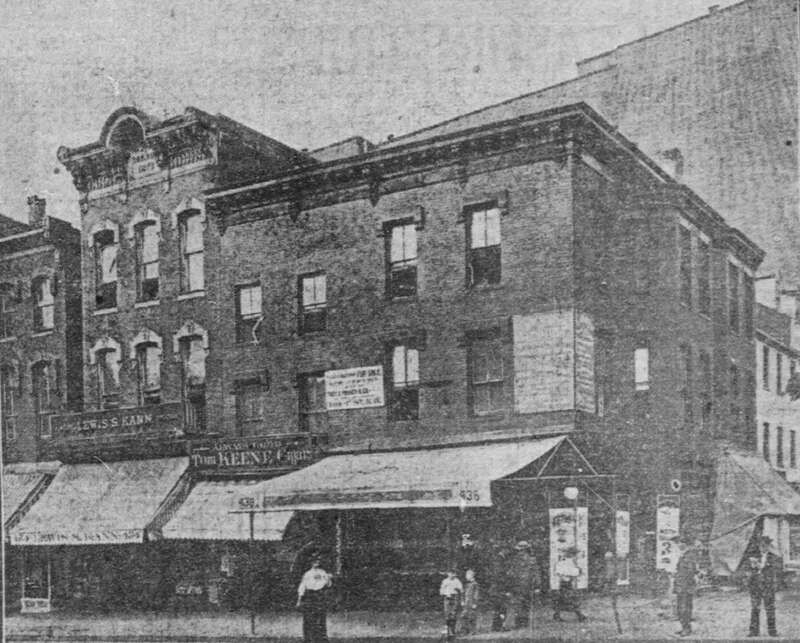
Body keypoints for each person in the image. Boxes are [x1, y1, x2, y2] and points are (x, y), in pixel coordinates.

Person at [747, 535, 781, 638]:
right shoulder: (753, 556)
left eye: (765, 545)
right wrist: (752, 569)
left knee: (770, 608)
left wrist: (763, 566)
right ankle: (753, 631)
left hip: (768, 587)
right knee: (755, 608)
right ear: (758, 545)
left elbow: (777, 571)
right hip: (755, 586)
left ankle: (772, 631)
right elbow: (746, 570)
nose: (762, 547)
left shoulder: (774, 557)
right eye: (761, 545)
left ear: (768, 545)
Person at [296, 554, 332, 643]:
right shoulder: (308, 574)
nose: (317, 562)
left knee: (321, 618)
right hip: (310, 596)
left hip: (320, 596)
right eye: (314, 561)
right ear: (311, 562)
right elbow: (302, 587)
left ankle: (321, 639)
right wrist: (299, 600)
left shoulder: (323, 572)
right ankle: (308, 639)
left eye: (318, 561)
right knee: (308, 618)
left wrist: (328, 578)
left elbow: (328, 584)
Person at [504, 540, 540, 629]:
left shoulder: (532, 560)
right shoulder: (515, 560)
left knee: (525, 605)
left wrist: (537, 586)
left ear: (525, 550)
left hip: (527, 586)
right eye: (519, 550)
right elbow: (510, 574)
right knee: (519, 605)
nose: (520, 552)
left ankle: (524, 623)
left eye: (522, 550)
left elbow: (536, 573)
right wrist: (509, 587)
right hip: (518, 586)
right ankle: (520, 624)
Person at [553, 546, 586, 622]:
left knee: (564, 599)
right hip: (566, 583)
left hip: (566, 582)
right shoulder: (567, 561)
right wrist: (578, 571)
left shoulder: (567, 561)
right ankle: (579, 615)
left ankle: (557, 615)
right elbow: (570, 572)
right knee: (570, 599)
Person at [673, 537, 697, 637]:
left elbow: (690, 572)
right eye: (677, 543)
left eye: (680, 543)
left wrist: (683, 583)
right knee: (680, 608)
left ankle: (686, 629)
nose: (678, 545)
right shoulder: (683, 555)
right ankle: (684, 627)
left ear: (685, 544)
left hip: (685, 586)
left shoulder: (689, 556)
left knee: (685, 608)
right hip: (681, 585)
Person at [439, 566, 463, 642]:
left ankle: (452, 630)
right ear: (448, 574)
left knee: (454, 613)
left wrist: (457, 589)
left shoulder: (457, 581)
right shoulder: (445, 581)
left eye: (453, 574)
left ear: (455, 574)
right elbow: (441, 591)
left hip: (454, 597)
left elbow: (461, 590)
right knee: (447, 614)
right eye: (450, 573)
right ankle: (447, 629)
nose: (451, 575)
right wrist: (446, 593)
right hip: (447, 598)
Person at [461, 568, 480, 635]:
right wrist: (462, 601)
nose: (466, 576)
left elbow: (476, 594)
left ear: (471, 575)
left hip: (471, 602)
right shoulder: (466, 584)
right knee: (464, 616)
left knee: (472, 616)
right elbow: (463, 593)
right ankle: (464, 630)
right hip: (466, 602)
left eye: (467, 575)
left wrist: (475, 603)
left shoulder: (475, 584)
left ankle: (472, 631)